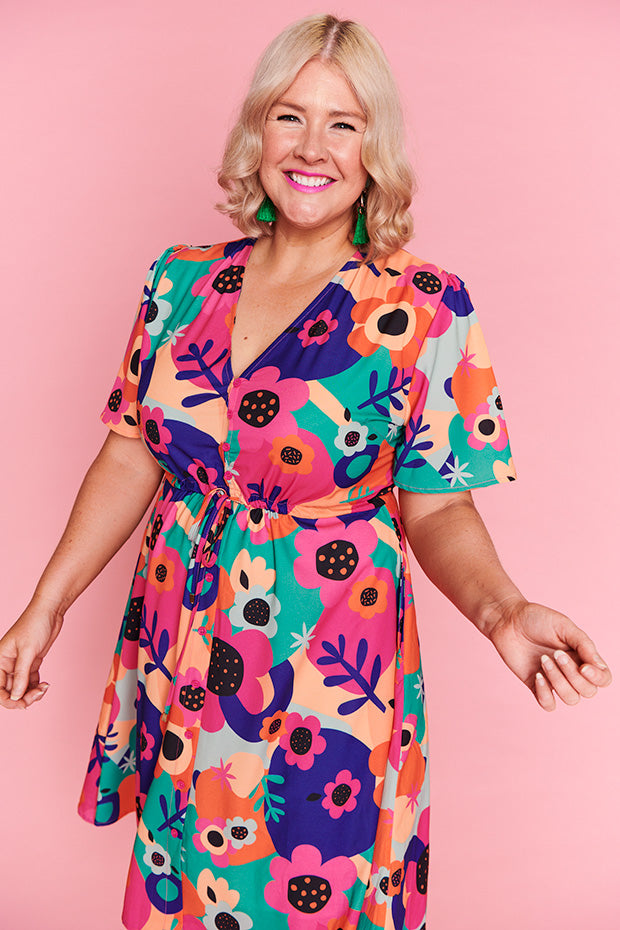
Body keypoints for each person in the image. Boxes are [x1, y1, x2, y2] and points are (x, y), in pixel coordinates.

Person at [0, 13, 611, 930]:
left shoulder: (424, 306)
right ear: (258, 131)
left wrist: (502, 613)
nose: (312, 147)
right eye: (290, 116)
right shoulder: (180, 281)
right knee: (185, 887)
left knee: (305, 885)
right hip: (181, 632)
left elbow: (438, 509)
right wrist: (46, 605)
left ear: (376, 147)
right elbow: (133, 449)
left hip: (320, 657)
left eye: (343, 123)